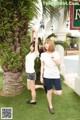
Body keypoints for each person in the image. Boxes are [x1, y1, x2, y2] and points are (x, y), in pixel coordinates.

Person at [40, 38, 62, 114]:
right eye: (45, 44)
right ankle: (50, 106)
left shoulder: (56, 53)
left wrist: (54, 60)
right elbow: (42, 66)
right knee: (49, 92)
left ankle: (49, 91)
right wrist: (41, 76)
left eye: (47, 43)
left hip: (56, 75)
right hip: (47, 75)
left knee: (59, 92)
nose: (45, 45)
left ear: (51, 44)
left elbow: (59, 64)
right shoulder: (43, 54)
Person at [25, 29, 43, 105]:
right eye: (31, 46)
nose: (31, 47)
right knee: (28, 87)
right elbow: (32, 42)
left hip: (32, 73)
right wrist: (32, 34)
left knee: (32, 89)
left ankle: (33, 101)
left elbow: (35, 43)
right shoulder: (30, 52)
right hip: (28, 73)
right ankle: (41, 86)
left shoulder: (35, 53)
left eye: (33, 47)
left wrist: (36, 33)